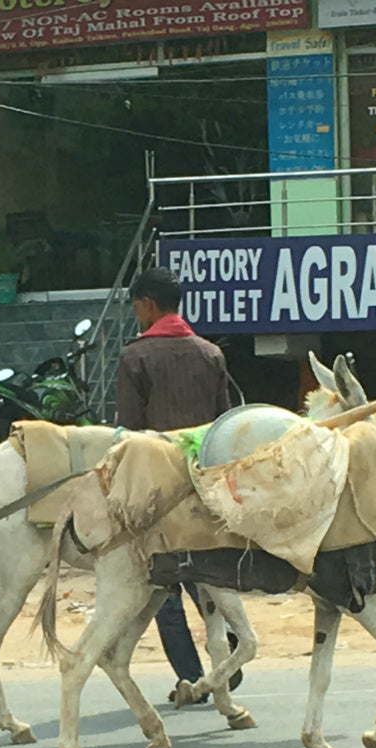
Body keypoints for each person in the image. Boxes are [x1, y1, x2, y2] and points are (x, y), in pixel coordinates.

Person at [114, 266, 238, 703]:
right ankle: (231, 658)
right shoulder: (210, 354)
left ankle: (191, 676)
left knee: (163, 591)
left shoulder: (136, 357)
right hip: (204, 485)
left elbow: (128, 434)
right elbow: (225, 425)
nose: (136, 317)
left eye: (136, 308)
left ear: (147, 304)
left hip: (157, 492)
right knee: (211, 578)